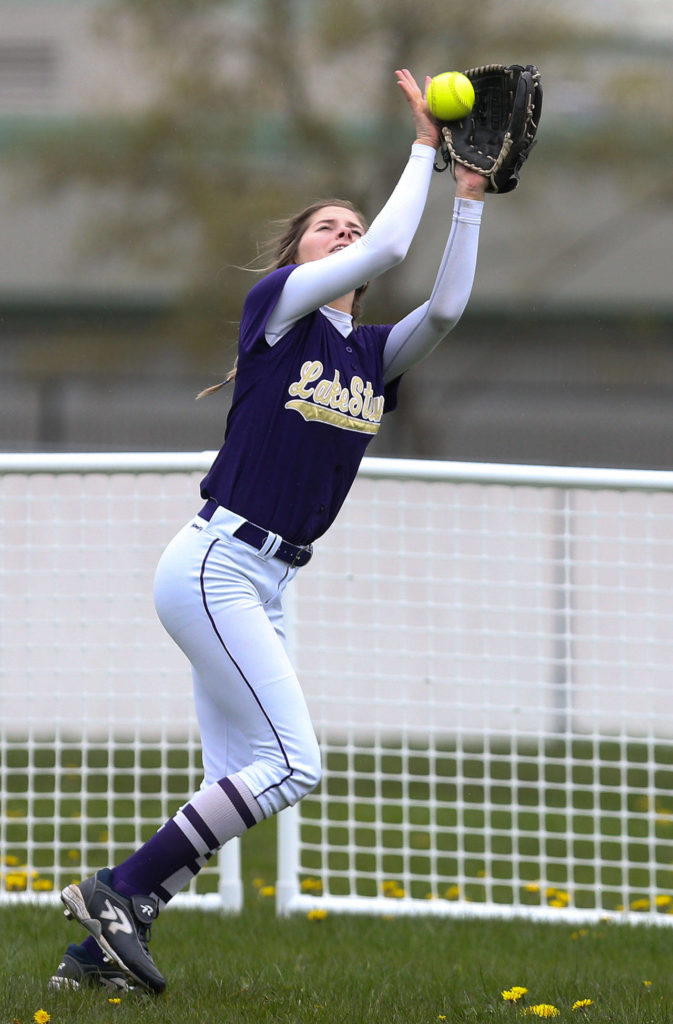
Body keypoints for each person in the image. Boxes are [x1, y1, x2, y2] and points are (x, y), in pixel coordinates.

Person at [49, 68, 487, 994]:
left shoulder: (371, 357)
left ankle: (94, 961)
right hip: (214, 562)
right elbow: (394, 244)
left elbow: (442, 309)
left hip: (269, 580)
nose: (349, 235)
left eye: (352, 227)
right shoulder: (279, 314)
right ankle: (117, 891)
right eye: (330, 227)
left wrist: (470, 197)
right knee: (292, 763)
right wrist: (422, 144)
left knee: (236, 778)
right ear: (300, 256)